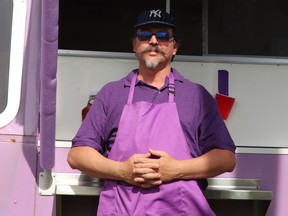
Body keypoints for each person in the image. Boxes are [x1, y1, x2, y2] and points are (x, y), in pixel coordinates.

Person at [68, 9, 236, 216]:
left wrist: (175, 169)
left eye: (164, 35)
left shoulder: (196, 96)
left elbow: (226, 158)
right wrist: (123, 171)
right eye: (145, 35)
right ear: (134, 45)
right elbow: (78, 155)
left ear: (175, 47)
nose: (154, 41)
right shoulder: (111, 94)